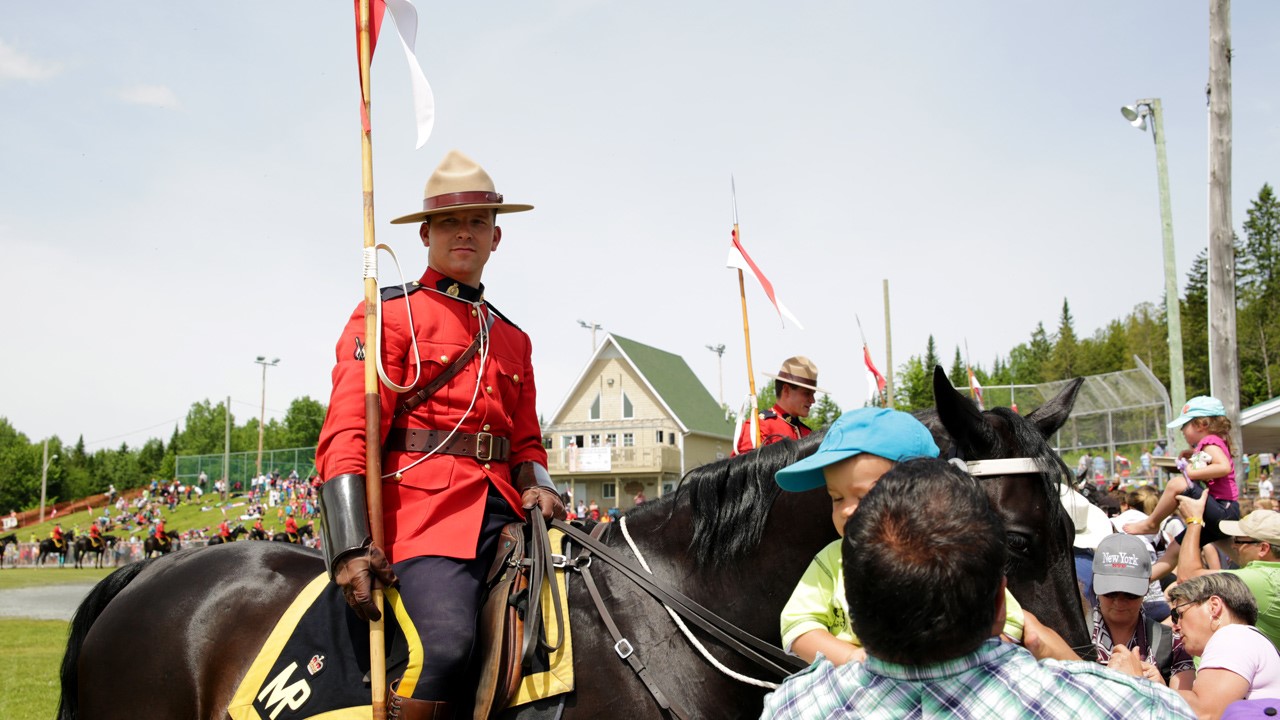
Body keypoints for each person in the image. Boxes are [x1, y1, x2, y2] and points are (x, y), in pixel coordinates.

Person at [316, 150, 563, 717]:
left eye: (477, 221)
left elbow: (526, 442)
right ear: (426, 234)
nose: (464, 232)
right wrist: (349, 545)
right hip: (424, 519)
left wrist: (540, 484)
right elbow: (348, 429)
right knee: (447, 644)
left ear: (496, 237)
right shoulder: (387, 315)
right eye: (450, 222)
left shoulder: (513, 339)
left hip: (507, 514)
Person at [759, 458, 1195, 719]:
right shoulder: (1137, 708)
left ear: (852, 602)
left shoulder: (792, 708)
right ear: (1000, 600)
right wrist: (1124, 689)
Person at [1124, 397, 1241, 570]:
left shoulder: (1210, 442)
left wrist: (1190, 471)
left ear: (1201, 424)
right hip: (1222, 511)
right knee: (1174, 550)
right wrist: (1194, 456)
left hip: (1223, 509)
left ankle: (1152, 523)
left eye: (1184, 425)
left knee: (1177, 483)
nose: (1182, 430)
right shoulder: (1211, 444)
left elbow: (1223, 467)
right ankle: (1143, 582)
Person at [1160, 573, 1280, 716]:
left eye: (1179, 614)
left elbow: (1206, 713)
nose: (1175, 626)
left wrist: (1144, 687)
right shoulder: (1247, 638)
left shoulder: (1232, 636)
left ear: (1214, 607)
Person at [1175, 495, 1280, 652]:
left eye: (1238, 540)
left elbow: (1187, 577)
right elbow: (1235, 551)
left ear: (1264, 548)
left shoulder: (1263, 581)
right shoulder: (1271, 573)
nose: (1233, 545)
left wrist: (1194, 521)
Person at [1089, 534, 1193, 683]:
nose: (1119, 601)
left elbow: (1187, 697)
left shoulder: (1172, 644)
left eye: (1130, 594)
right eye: (1110, 592)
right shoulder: (1071, 637)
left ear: (1147, 585)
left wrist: (1161, 688)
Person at [734, 357, 826, 456]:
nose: (813, 400)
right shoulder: (760, 426)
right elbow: (742, 464)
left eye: (813, 394)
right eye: (807, 393)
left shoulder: (807, 433)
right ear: (786, 390)